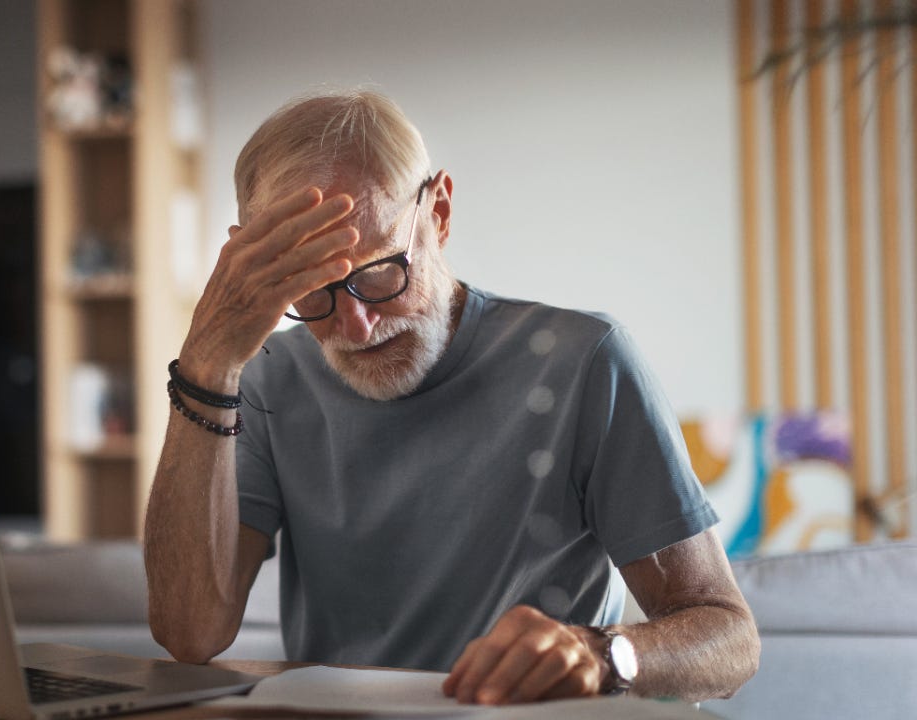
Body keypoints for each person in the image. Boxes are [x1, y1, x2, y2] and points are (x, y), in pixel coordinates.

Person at [144, 89, 759, 705]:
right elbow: (190, 634)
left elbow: (729, 639)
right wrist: (207, 363)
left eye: (380, 272)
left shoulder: (586, 362)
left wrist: (604, 654)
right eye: (311, 290)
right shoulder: (264, 381)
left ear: (438, 212)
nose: (355, 327)